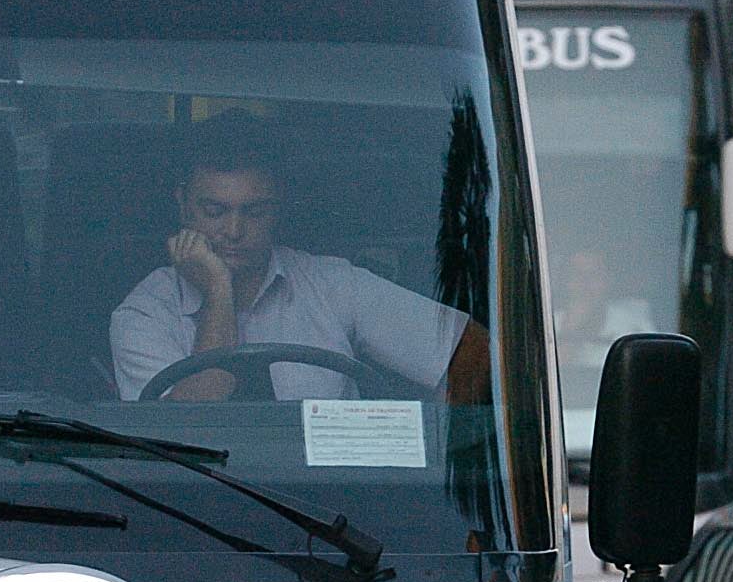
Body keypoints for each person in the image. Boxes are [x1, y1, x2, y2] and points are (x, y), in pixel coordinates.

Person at [109, 113, 490, 403]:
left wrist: (427, 445)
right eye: (215, 211)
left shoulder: (330, 284)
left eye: (254, 212)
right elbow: (191, 425)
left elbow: (475, 355)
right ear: (184, 205)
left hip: (344, 499)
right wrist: (218, 290)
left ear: (278, 209)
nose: (234, 230)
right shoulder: (145, 311)